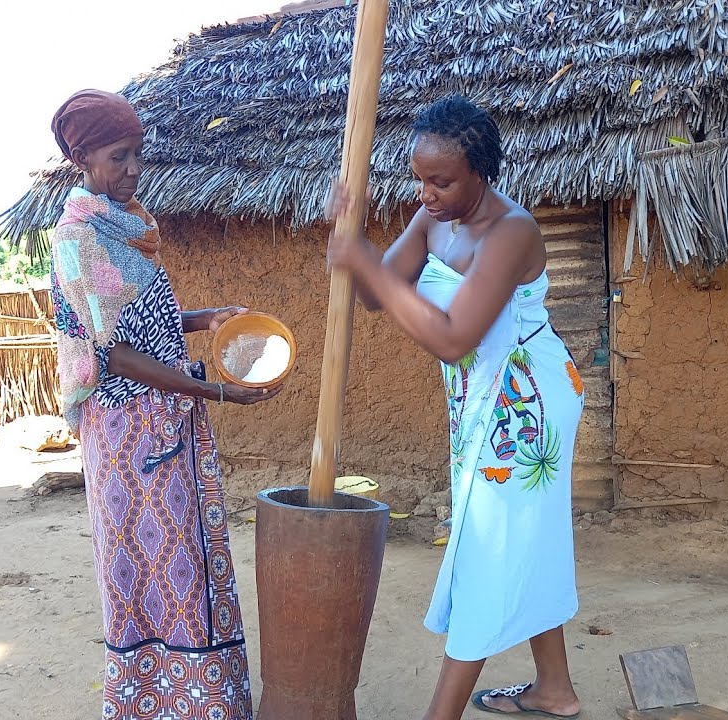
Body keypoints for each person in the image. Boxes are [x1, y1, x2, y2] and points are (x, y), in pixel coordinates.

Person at [327, 95, 585, 719]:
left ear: (480, 171)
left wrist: (366, 261)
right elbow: (372, 298)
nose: (427, 193)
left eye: (441, 180)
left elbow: (452, 337)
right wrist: (353, 238)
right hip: (479, 400)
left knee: (489, 545)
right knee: (523, 535)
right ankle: (555, 690)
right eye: (419, 178)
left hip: (525, 404)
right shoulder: (432, 220)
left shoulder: (512, 232)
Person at [48, 89, 279, 720]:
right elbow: (114, 356)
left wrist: (206, 319)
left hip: (162, 417)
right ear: (82, 159)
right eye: (118, 156)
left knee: (187, 560)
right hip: (127, 428)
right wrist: (215, 390)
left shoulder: (125, 227)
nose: (131, 169)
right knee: (150, 566)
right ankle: (153, 702)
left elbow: (142, 324)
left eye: (137, 155)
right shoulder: (79, 240)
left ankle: (201, 702)